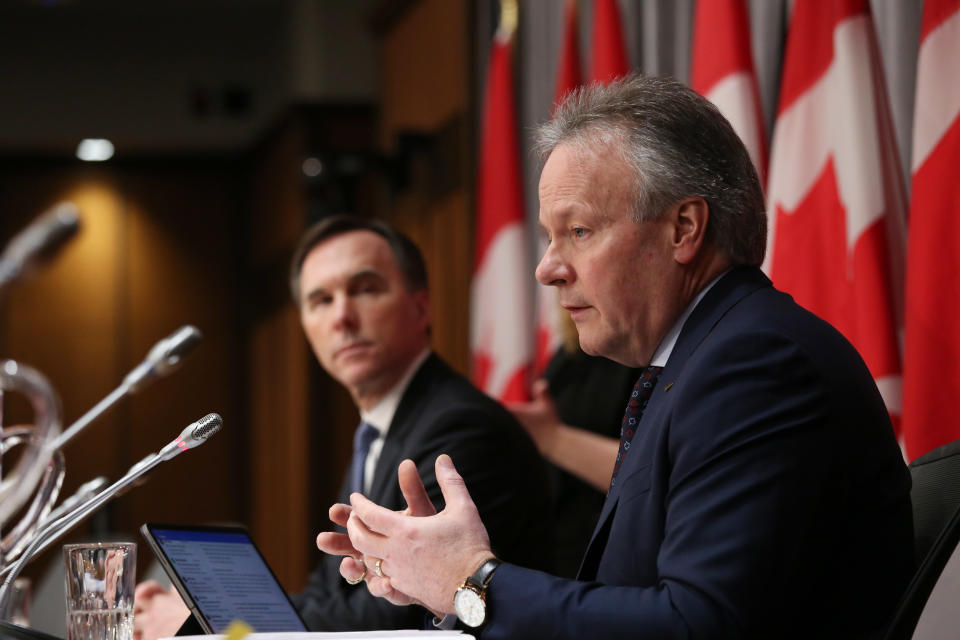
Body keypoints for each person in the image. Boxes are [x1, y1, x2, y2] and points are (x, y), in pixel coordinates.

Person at [317, 75, 914, 639]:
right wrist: (445, 588)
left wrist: (472, 582)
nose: (547, 269)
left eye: (577, 231)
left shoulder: (756, 365)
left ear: (683, 228)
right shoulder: (697, 364)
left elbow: (696, 625)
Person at [133, 215, 552, 637]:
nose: (342, 317)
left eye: (365, 289)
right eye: (321, 300)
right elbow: (333, 592)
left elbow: (393, 614)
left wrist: (207, 625)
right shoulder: (378, 431)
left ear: (420, 306)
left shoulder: (461, 427)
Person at [508, 310, 640, 577]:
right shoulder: (572, 352)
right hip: (559, 553)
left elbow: (656, 470)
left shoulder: (646, 357)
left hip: (615, 560)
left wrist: (553, 439)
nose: (551, 274)